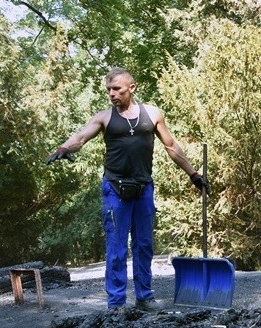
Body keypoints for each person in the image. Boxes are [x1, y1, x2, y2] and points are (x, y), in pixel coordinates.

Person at [46, 67, 206, 312]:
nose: (112, 94)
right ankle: (117, 304)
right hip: (115, 189)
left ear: (132, 88)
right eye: (109, 89)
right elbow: (80, 137)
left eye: (117, 89)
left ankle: (144, 297)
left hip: (143, 188)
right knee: (117, 247)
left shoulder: (152, 114)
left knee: (144, 245)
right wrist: (64, 148)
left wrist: (193, 174)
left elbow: (171, 146)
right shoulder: (105, 117)